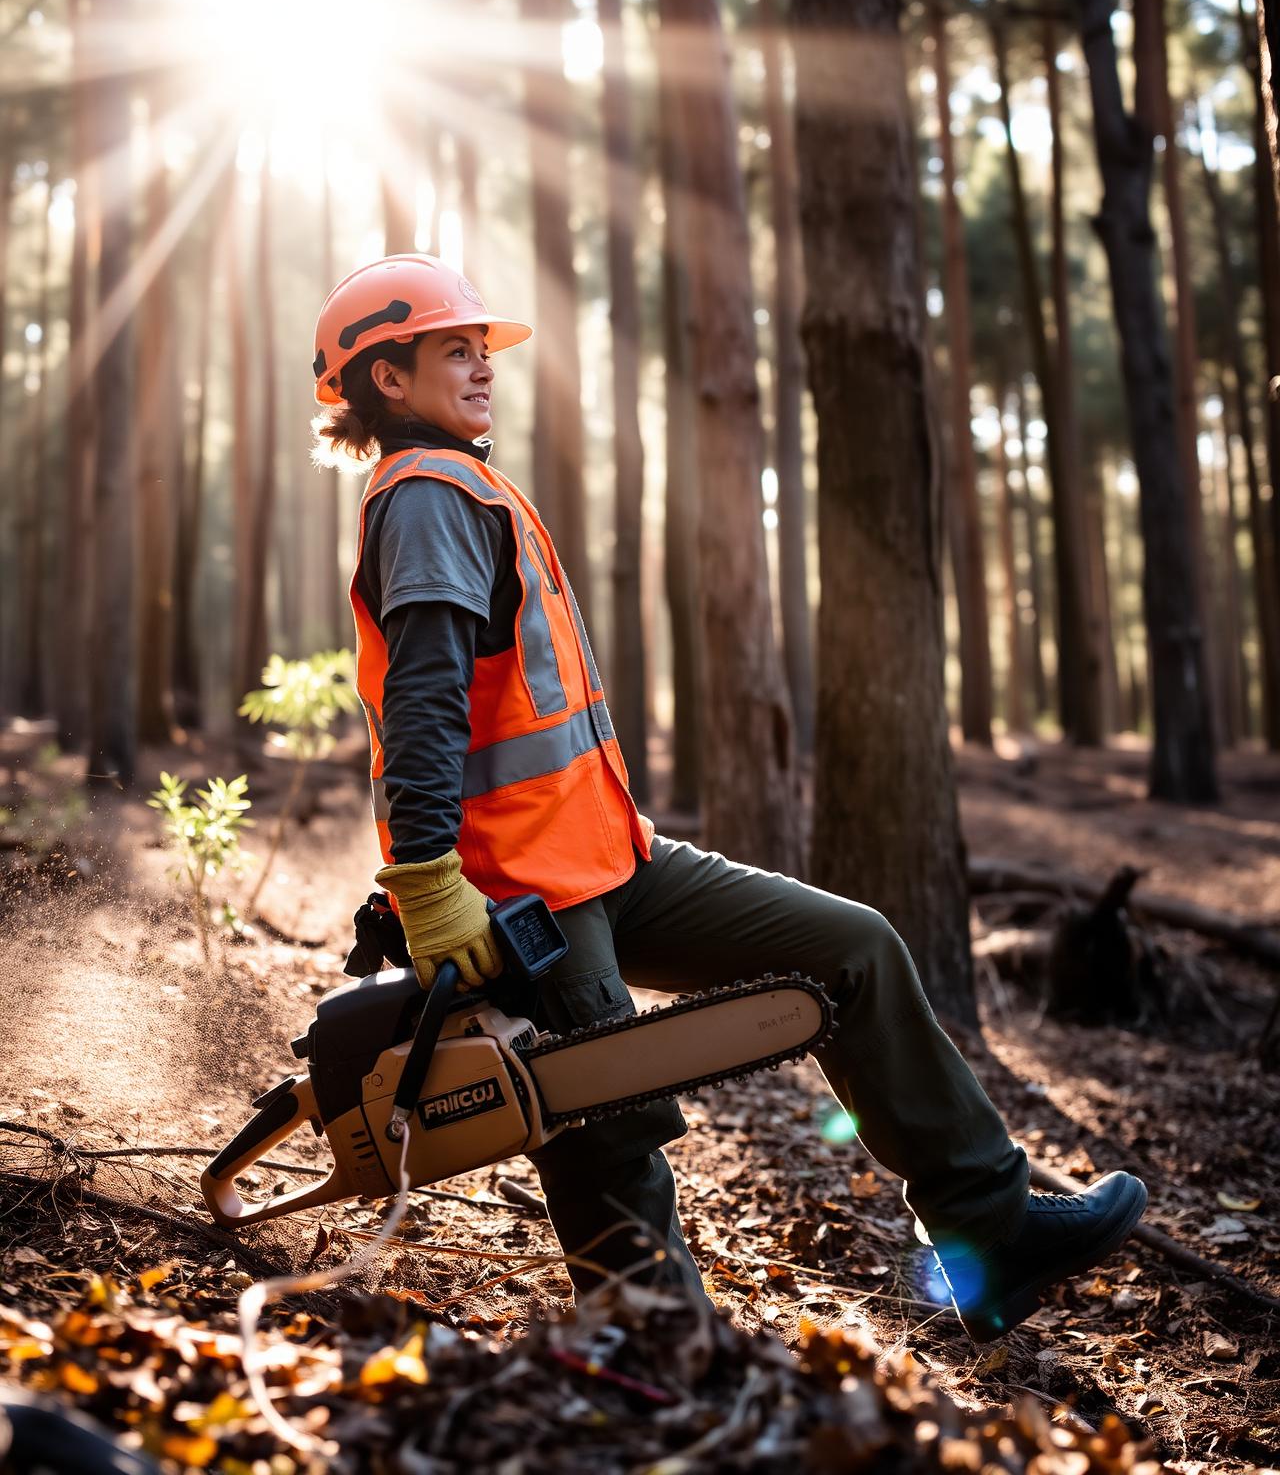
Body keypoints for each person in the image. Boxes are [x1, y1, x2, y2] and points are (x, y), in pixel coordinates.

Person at [311, 253, 1147, 1343]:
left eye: (480, 349)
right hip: (522, 893)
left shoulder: (463, 486)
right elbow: (424, 705)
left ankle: (987, 1224)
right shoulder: (426, 495)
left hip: (611, 857)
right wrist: (426, 884)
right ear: (385, 378)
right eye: (452, 350)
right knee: (603, 1127)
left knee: (848, 948)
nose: (480, 368)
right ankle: (668, 1359)